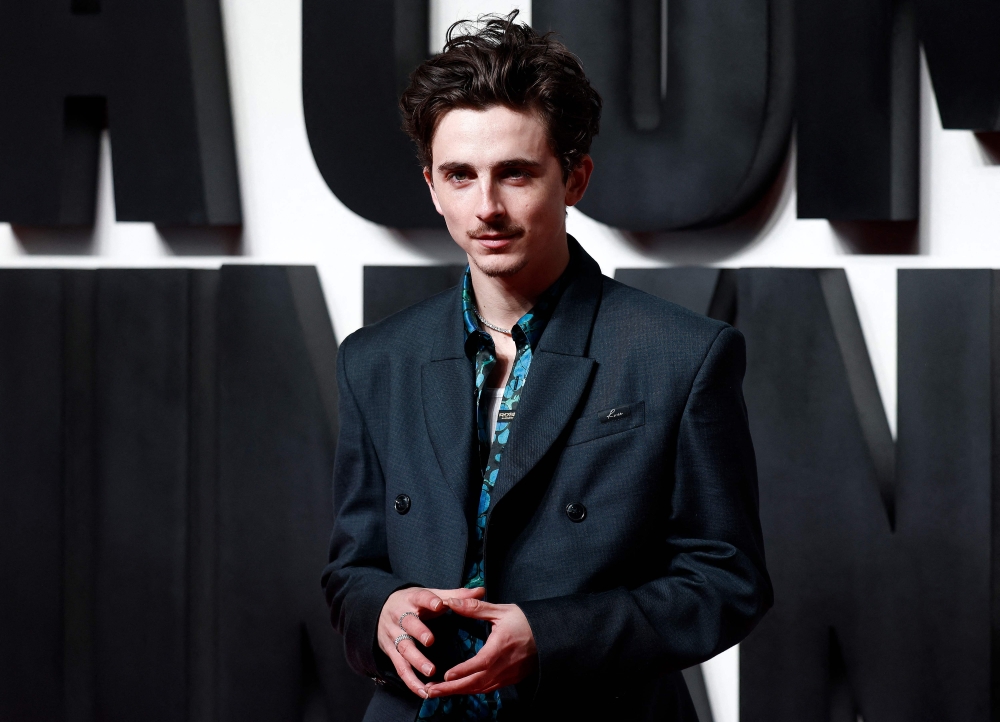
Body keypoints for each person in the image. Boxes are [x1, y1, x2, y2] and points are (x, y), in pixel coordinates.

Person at [323, 12, 771, 721]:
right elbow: (351, 568)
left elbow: (726, 580)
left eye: (516, 174)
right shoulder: (376, 360)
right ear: (432, 187)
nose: (487, 208)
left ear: (576, 178)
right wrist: (380, 609)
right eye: (460, 176)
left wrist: (552, 637)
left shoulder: (681, 354)